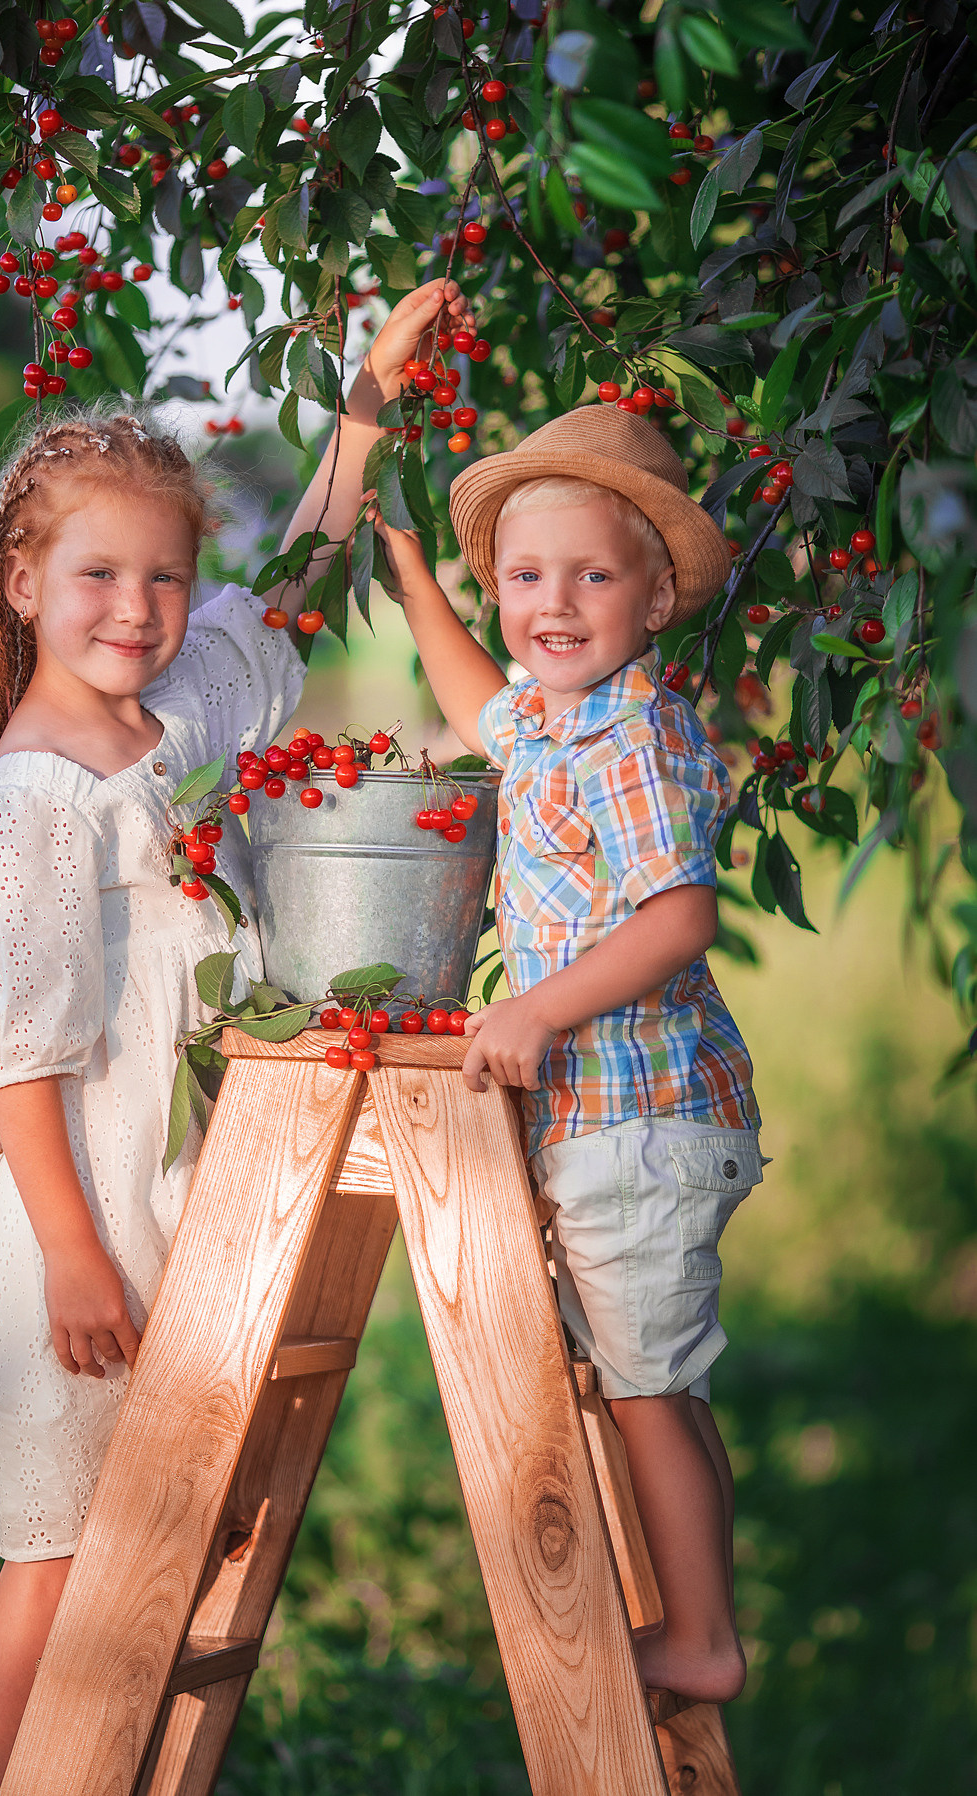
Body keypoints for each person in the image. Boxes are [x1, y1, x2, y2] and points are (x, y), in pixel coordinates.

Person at [0, 277, 477, 1796]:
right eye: (100, 575)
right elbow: (16, 1061)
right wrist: (78, 1257)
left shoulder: (178, 721)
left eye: (166, 579)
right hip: (76, 1220)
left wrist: (360, 417)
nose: (140, 610)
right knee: (60, 1543)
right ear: (21, 582)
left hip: (189, 1196)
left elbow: (288, 588)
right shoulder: (39, 799)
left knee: (163, 1528)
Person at [370, 402, 764, 1705]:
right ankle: (704, 1611)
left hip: (637, 1119)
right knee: (662, 1386)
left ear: (652, 600)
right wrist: (415, 576)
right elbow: (474, 700)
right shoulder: (551, 721)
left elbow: (679, 915)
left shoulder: (635, 733)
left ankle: (700, 1637)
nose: (553, 602)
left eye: (591, 576)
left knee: (647, 1391)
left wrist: (538, 1009)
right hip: (615, 1123)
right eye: (524, 578)